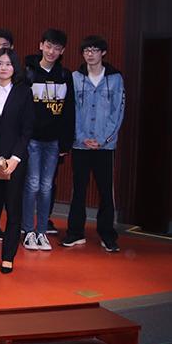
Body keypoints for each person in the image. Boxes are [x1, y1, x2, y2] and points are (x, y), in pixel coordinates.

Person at [66, 35, 124, 253]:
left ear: (103, 53)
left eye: (94, 50)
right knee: (78, 190)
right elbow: (70, 110)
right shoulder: (75, 78)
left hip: (104, 146)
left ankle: (107, 234)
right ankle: (75, 233)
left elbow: (118, 112)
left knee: (106, 191)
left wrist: (103, 139)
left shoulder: (115, 79)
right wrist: (81, 137)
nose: (90, 54)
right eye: (86, 51)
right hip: (80, 144)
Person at [0, 48, 33, 274]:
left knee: (13, 210)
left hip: (15, 162)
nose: (4, 67)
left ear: (14, 67)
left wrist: (15, 159)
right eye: (0, 63)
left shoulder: (24, 93)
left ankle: (8, 256)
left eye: (8, 64)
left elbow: (27, 130)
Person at [23, 28, 75, 249]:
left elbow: (69, 110)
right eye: (48, 46)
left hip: (53, 141)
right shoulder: (28, 73)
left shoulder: (65, 76)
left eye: (57, 48)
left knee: (46, 186)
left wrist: (66, 142)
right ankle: (28, 230)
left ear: (62, 51)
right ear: (41, 45)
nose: (52, 51)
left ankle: (41, 231)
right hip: (32, 140)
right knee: (32, 184)